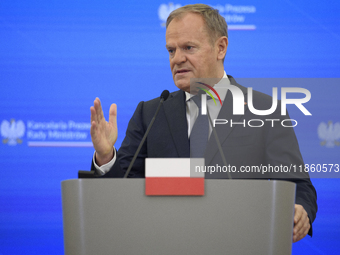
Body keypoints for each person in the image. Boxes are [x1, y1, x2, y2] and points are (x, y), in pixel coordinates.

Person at [89, 4, 317, 243]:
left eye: (188, 47)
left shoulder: (265, 111)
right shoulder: (151, 112)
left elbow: (298, 184)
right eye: (170, 50)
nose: (177, 59)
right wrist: (106, 157)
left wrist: (299, 208)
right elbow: (122, 191)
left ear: (220, 48)